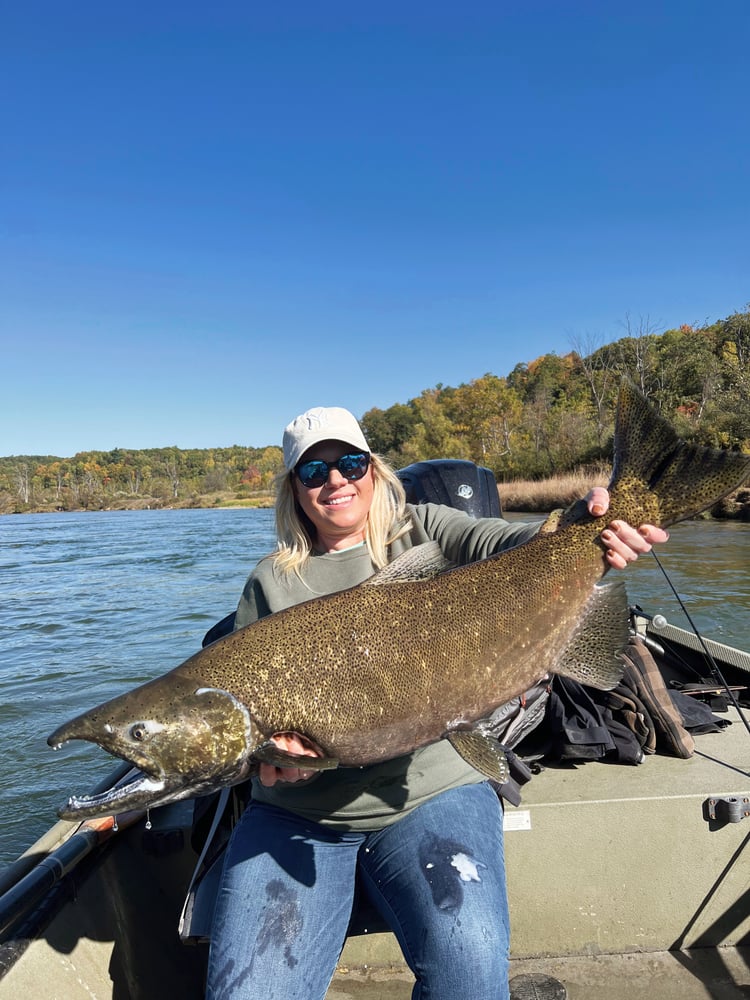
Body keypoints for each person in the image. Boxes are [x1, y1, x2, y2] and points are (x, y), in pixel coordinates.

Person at [205, 406, 668, 1000]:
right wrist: (266, 762)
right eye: (313, 472)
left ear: (372, 468)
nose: (335, 481)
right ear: (293, 489)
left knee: (471, 975)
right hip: (302, 814)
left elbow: (516, 542)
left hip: (436, 786)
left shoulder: (426, 528)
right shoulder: (269, 582)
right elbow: (244, 709)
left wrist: (592, 525)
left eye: (349, 462)